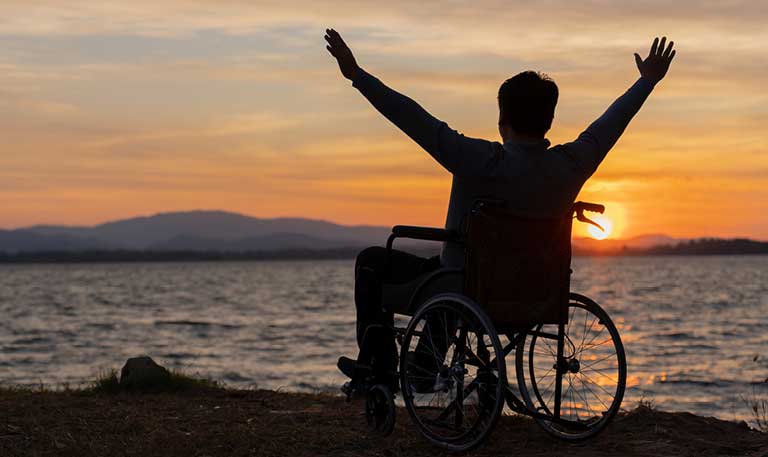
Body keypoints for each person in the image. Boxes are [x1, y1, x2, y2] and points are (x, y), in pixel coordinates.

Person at [324, 28, 675, 390]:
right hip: (536, 294)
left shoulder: (478, 159)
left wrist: (357, 76)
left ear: (501, 120)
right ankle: (424, 367)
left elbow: (413, 117)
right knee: (454, 277)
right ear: (549, 121)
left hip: (467, 288)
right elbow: (610, 125)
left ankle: (380, 367)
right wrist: (646, 82)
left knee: (377, 261)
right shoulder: (571, 164)